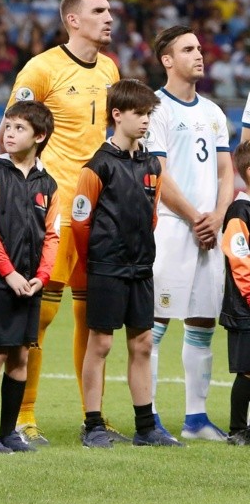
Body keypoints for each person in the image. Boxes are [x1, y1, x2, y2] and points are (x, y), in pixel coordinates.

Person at [0, 0, 120, 445]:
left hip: (100, 214)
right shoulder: (42, 68)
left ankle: (95, 418)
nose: (109, 18)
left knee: (94, 318)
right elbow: (12, 132)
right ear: (73, 20)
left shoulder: (109, 68)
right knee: (40, 316)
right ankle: (25, 414)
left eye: (109, 10)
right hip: (52, 211)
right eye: (99, 11)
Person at [73, 79, 182, 449]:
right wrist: (98, 260)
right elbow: (79, 223)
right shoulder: (98, 166)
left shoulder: (151, 163)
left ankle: (145, 427)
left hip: (141, 268)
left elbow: (151, 216)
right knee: (101, 344)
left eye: (149, 113)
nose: (145, 120)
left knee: (143, 345)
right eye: (138, 113)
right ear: (117, 115)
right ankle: (93, 425)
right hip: (106, 267)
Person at [144, 26, 233, 440]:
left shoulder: (213, 112)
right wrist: (196, 216)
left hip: (208, 232)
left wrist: (217, 215)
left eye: (199, 47)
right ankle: (153, 416)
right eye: (188, 49)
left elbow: (224, 170)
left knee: (202, 322)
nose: (199, 54)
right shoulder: (155, 108)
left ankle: (196, 418)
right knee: (156, 322)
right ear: (167, 59)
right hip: (172, 229)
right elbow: (158, 171)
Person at [0, 101, 59, 454]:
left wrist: (42, 276)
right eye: (7, 127)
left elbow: (52, 235)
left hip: (30, 284)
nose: (9, 133)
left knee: (20, 355)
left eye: (19, 128)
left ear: (39, 136)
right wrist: (8, 273)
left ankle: (8, 433)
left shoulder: (48, 184)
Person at [219, 141, 250, 445]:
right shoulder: (239, 211)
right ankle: (237, 429)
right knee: (247, 371)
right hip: (245, 308)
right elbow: (240, 261)